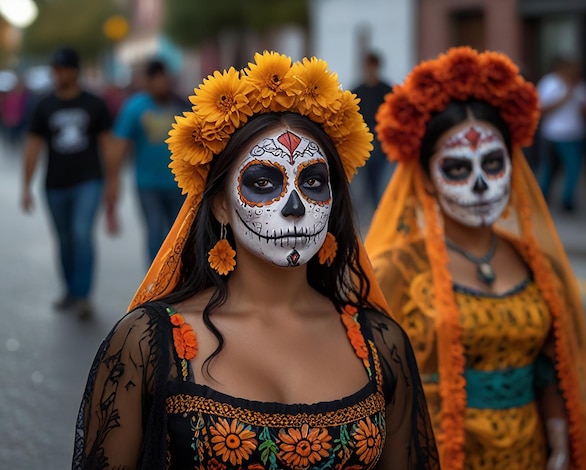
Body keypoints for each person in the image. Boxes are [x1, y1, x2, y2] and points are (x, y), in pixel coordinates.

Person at [71, 51, 440, 469]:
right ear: (220, 207)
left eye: (314, 181)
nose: (295, 207)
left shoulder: (382, 344)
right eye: (263, 182)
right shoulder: (146, 345)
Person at [366, 47, 586, 469]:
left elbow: (551, 368)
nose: (479, 185)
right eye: (456, 168)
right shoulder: (394, 270)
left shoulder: (534, 263)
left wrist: (559, 440)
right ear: (428, 180)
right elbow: (377, 389)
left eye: (493, 163)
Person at [21, 47, 114, 318]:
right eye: (55, 69)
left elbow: (107, 145)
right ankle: (71, 290)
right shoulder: (44, 105)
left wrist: (112, 183)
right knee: (64, 239)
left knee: (81, 234)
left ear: (75, 71)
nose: (59, 74)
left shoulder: (94, 104)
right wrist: (26, 186)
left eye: (63, 69)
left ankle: (83, 295)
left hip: (89, 180)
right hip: (55, 183)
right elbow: (33, 146)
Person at [108, 58, 188, 264]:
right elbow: (120, 145)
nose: (161, 84)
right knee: (154, 231)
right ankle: (155, 283)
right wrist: (113, 181)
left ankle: (177, 280)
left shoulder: (181, 105)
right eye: (155, 79)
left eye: (164, 79)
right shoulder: (135, 108)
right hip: (147, 184)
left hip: (180, 184)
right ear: (148, 82)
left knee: (179, 235)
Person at [536, 56, 586, 213]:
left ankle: (567, 201)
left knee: (574, 169)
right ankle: (542, 197)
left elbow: (585, 109)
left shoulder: (579, 84)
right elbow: (541, 108)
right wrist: (565, 96)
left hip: (574, 134)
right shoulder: (550, 82)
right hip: (552, 133)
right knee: (548, 168)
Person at [352, 52, 393, 214]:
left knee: (379, 178)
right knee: (367, 180)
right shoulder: (358, 91)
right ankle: (373, 209)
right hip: (364, 144)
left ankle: (377, 209)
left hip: (381, 143)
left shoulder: (386, 90)